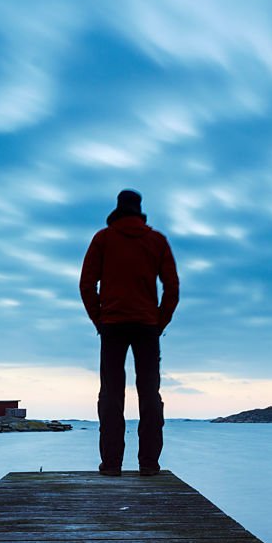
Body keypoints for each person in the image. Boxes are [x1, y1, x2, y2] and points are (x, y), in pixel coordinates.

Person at [79, 190, 179, 476]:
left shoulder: (103, 239)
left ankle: (111, 465)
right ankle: (149, 464)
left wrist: (99, 320)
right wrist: (160, 322)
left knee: (111, 394)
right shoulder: (156, 240)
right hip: (147, 326)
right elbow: (172, 288)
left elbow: (87, 285)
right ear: (139, 210)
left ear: (118, 209)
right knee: (150, 394)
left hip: (112, 324)